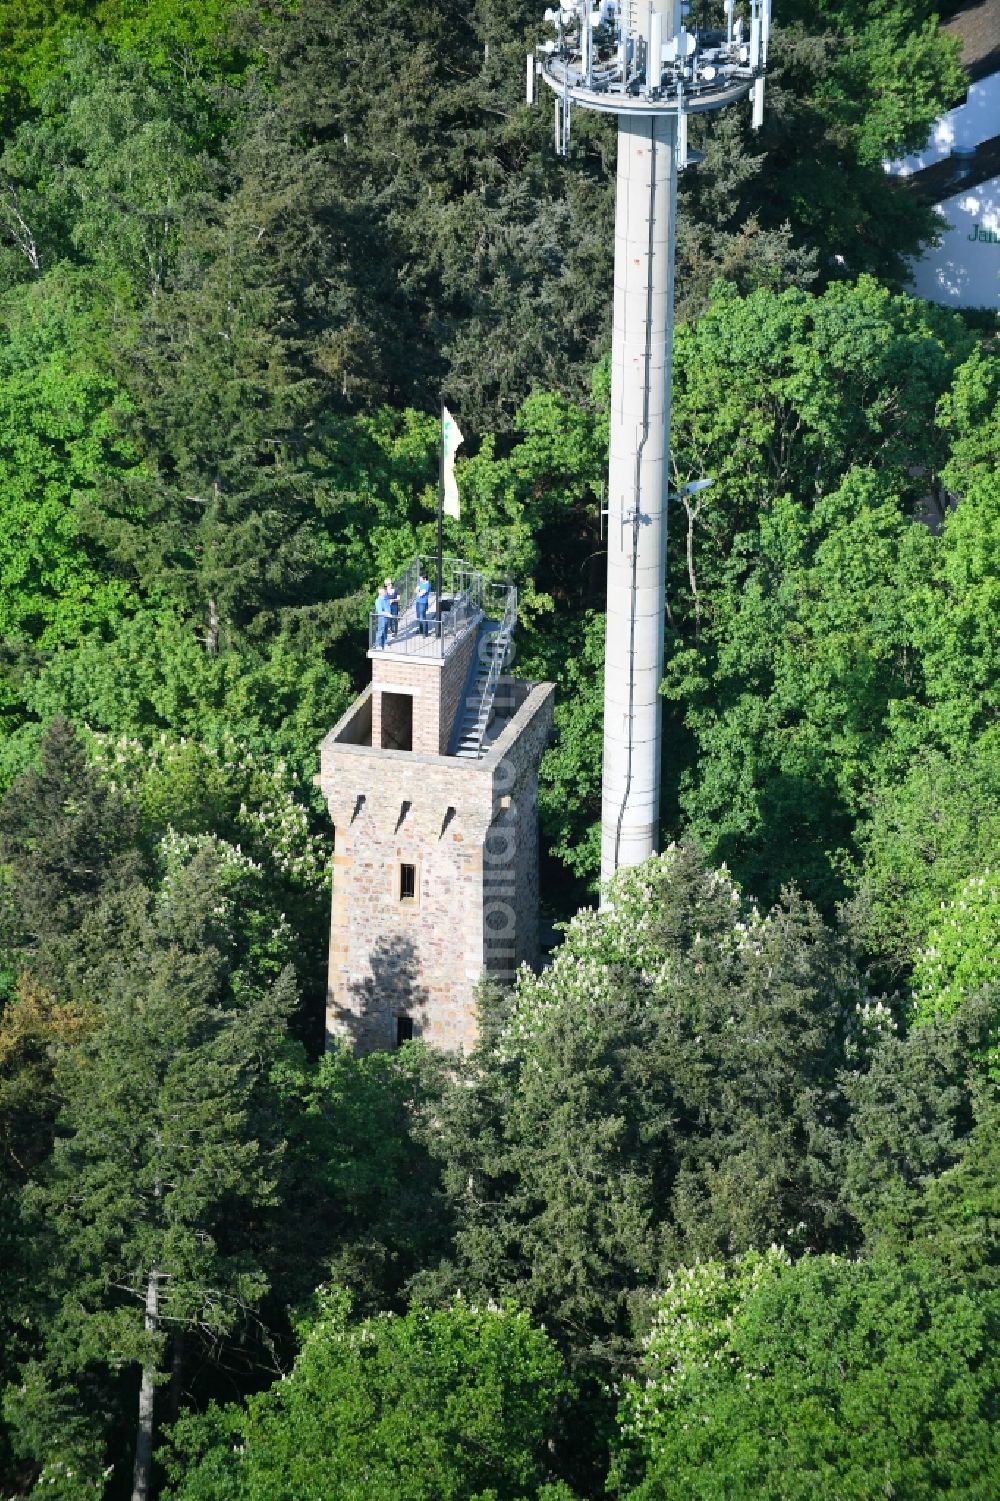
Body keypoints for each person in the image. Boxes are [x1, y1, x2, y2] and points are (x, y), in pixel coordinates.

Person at [374, 584, 392, 648]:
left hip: (387, 617)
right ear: (380, 593)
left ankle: (384, 643)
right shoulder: (378, 600)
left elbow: (388, 607)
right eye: (384, 591)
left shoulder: (386, 598)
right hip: (382, 618)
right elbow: (380, 612)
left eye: (385, 591)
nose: (385, 592)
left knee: (385, 631)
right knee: (380, 631)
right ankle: (378, 645)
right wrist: (387, 613)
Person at [414, 570, 431, 636]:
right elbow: (416, 590)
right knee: (418, 616)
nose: (419, 579)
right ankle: (420, 630)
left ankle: (425, 632)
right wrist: (418, 591)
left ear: (424, 578)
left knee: (422, 617)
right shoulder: (420, 583)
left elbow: (420, 594)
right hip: (418, 602)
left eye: (420, 578)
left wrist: (418, 591)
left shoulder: (427, 585)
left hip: (423, 603)